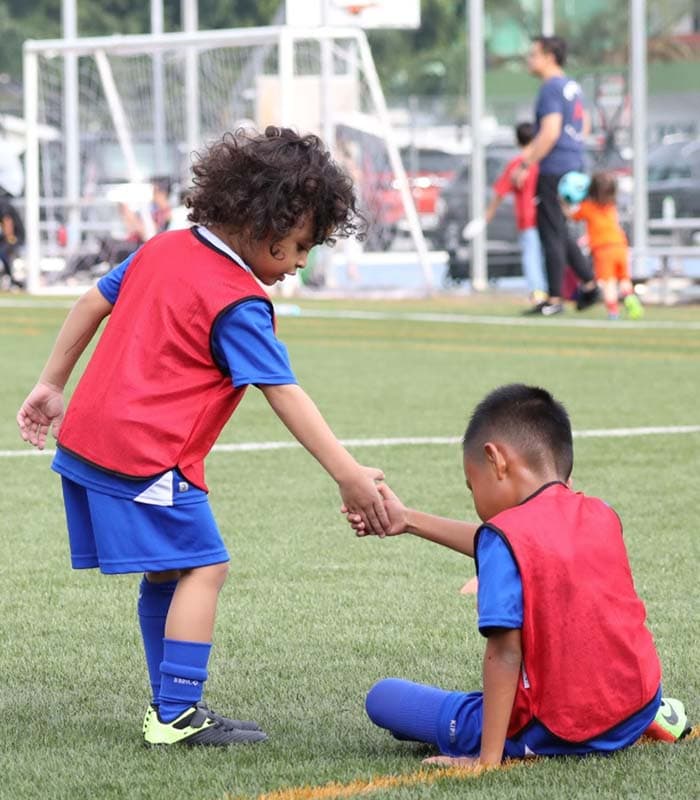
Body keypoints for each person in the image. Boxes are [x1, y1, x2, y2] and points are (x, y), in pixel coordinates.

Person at [16, 126, 390, 748]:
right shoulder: (238, 300)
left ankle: (170, 706)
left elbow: (90, 301)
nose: (300, 263)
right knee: (204, 566)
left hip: (87, 441)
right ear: (268, 219)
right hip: (145, 456)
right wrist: (347, 472)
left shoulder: (164, 246)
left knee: (168, 572)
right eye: (299, 246)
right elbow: (284, 393)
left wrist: (52, 384)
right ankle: (176, 715)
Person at [344, 384, 688, 766]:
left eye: (471, 485)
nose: (475, 500)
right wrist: (407, 520)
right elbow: (519, 546)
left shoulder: (503, 537)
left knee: (385, 699)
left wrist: (486, 760)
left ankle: (500, 743)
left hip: (554, 729)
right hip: (637, 705)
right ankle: (657, 716)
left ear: (496, 461)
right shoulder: (601, 512)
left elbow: (505, 654)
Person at [516, 36, 600, 316]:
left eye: (534, 54)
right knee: (560, 229)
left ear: (550, 56)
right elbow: (584, 124)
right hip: (574, 163)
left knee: (550, 232)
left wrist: (526, 163)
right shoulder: (571, 87)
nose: (530, 60)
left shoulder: (551, 88)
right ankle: (589, 285)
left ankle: (555, 299)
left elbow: (550, 132)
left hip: (554, 167)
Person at [482, 122, 547, 309]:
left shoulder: (518, 165)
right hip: (545, 215)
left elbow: (500, 192)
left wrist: (489, 212)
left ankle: (537, 291)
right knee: (545, 252)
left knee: (531, 254)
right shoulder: (541, 162)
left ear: (516, 140)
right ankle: (549, 289)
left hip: (527, 217)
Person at [564, 171, 643, 320]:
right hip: (620, 245)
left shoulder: (588, 207)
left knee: (609, 282)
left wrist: (564, 203)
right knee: (624, 279)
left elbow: (571, 216)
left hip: (603, 249)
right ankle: (630, 298)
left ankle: (613, 311)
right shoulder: (611, 207)